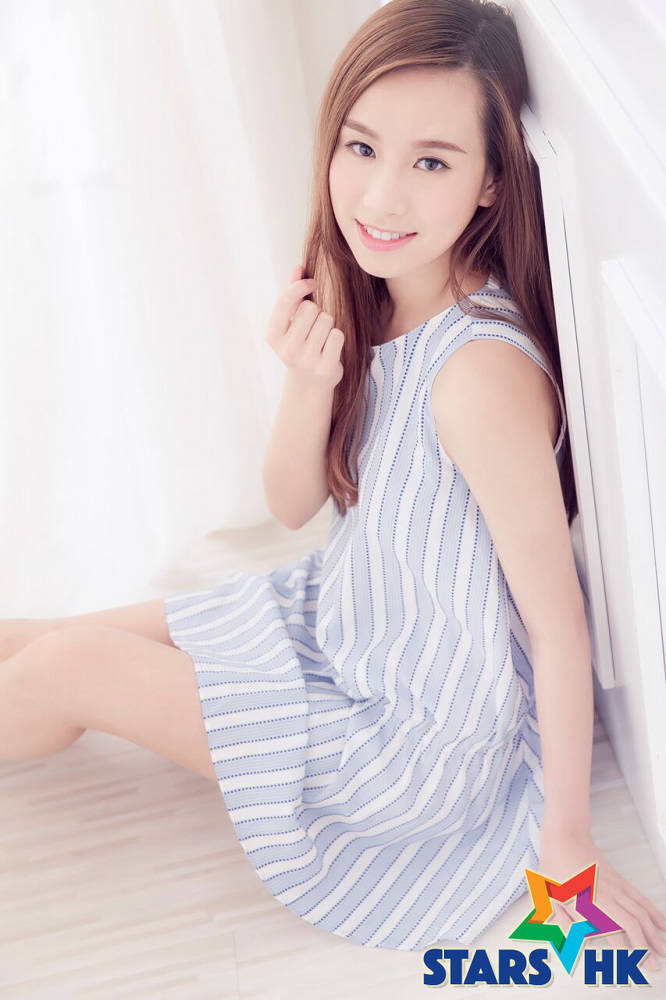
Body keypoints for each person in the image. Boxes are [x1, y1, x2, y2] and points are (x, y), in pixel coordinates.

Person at [2, 0, 665, 965]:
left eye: (431, 162)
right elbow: (293, 506)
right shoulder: (376, 291)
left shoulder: (478, 376)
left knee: (64, 668)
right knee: (39, 636)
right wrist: (309, 380)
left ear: (491, 182)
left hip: (408, 742)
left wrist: (566, 845)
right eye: (362, 147)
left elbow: (558, 623)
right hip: (345, 621)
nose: (381, 197)